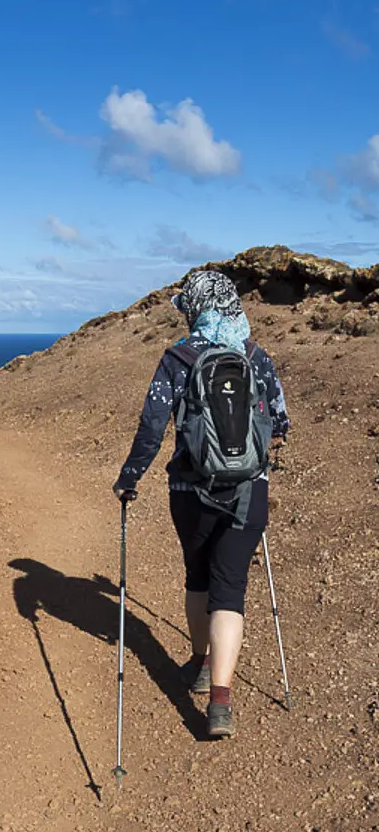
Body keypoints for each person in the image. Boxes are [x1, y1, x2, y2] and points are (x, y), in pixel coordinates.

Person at [113, 269, 289, 738]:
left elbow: (152, 426)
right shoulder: (255, 355)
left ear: (194, 307)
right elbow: (281, 420)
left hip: (190, 492)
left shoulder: (179, 357)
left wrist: (129, 478)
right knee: (229, 590)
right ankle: (220, 703)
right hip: (249, 491)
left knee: (198, 578)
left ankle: (198, 662)